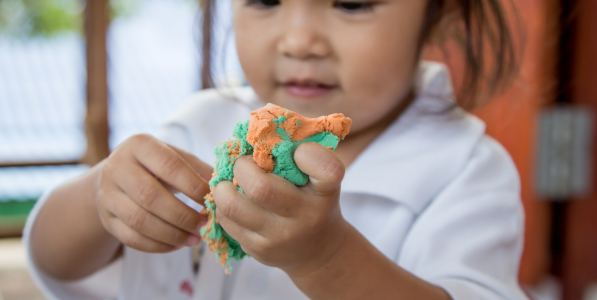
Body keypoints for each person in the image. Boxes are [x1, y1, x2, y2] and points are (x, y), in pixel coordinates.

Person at [24, 0, 528, 299]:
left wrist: (325, 256)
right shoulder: (201, 125)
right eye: (266, 0)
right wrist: (99, 200)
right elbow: (53, 262)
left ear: (441, 15)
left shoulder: (465, 171)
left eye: (351, 3)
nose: (300, 39)